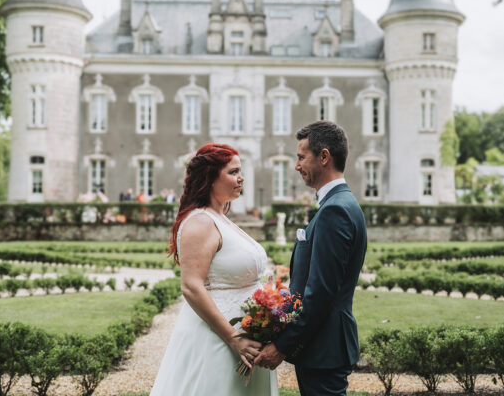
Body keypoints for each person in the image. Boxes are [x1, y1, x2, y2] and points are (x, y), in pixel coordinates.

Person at [150, 143, 277, 395]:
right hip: (217, 339)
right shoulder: (200, 222)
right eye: (233, 172)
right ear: (209, 177)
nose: (241, 178)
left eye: (240, 171)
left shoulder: (220, 218)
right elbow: (191, 286)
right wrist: (233, 337)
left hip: (245, 337)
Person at [255, 121, 368, 396]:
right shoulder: (338, 204)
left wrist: (282, 346)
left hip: (324, 346)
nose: (296, 165)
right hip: (322, 345)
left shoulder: (335, 211)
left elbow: (320, 294)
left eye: (301, 157)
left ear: (324, 156)